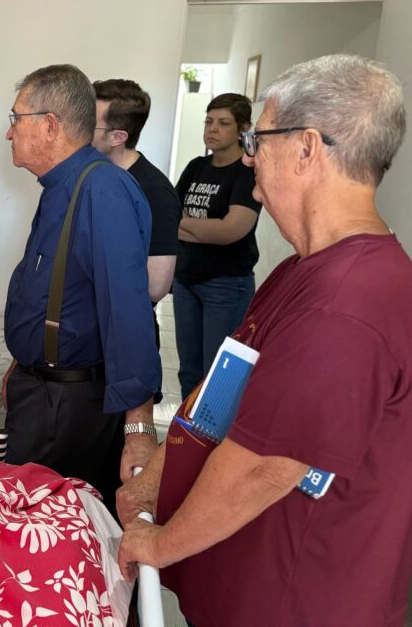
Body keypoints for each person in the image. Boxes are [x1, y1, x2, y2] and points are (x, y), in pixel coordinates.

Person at [118, 55, 412, 627]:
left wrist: (160, 544)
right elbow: (222, 391)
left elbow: (267, 465)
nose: (249, 156)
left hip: (296, 600)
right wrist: (153, 479)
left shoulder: (346, 302)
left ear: (307, 148)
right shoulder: (303, 270)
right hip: (245, 583)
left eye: (259, 139)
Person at [3, 64, 162, 514]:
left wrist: (139, 430)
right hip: (44, 391)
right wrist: (21, 363)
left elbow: (127, 314)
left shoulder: (101, 191)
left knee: (54, 526)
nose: (9, 133)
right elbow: (56, 292)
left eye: (16, 119)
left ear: (50, 126)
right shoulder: (62, 186)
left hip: (67, 407)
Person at [173, 93, 261, 398]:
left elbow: (231, 230)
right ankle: (186, 427)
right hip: (186, 280)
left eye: (223, 123)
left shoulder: (247, 173)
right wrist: (205, 229)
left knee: (217, 376)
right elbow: (170, 217)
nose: (212, 128)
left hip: (226, 286)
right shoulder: (196, 167)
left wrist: (186, 226)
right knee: (189, 371)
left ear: (242, 129)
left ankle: (211, 430)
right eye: (209, 121)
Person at [92, 79, 180, 345]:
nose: (77, 128)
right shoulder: (92, 174)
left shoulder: (155, 192)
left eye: (89, 123)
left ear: (117, 137)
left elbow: (156, 286)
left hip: (125, 336)